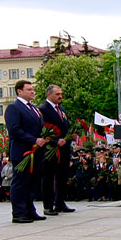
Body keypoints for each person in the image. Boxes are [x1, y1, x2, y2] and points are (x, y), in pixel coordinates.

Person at [5, 80, 47, 223]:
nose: (32, 91)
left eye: (32, 89)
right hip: (23, 152)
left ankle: (30, 210)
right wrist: (34, 140)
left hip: (36, 152)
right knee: (20, 183)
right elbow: (14, 129)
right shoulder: (14, 108)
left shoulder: (34, 108)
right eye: (29, 89)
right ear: (19, 91)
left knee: (31, 183)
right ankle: (18, 213)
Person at [38, 85, 75, 215]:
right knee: (48, 177)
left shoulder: (61, 109)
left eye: (61, 94)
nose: (60, 96)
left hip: (64, 148)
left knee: (63, 175)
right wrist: (55, 140)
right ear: (49, 94)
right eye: (57, 94)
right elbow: (42, 129)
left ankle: (60, 202)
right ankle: (48, 206)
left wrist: (71, 135)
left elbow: (66, 126)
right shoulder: (42, 109)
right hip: (51, 149)